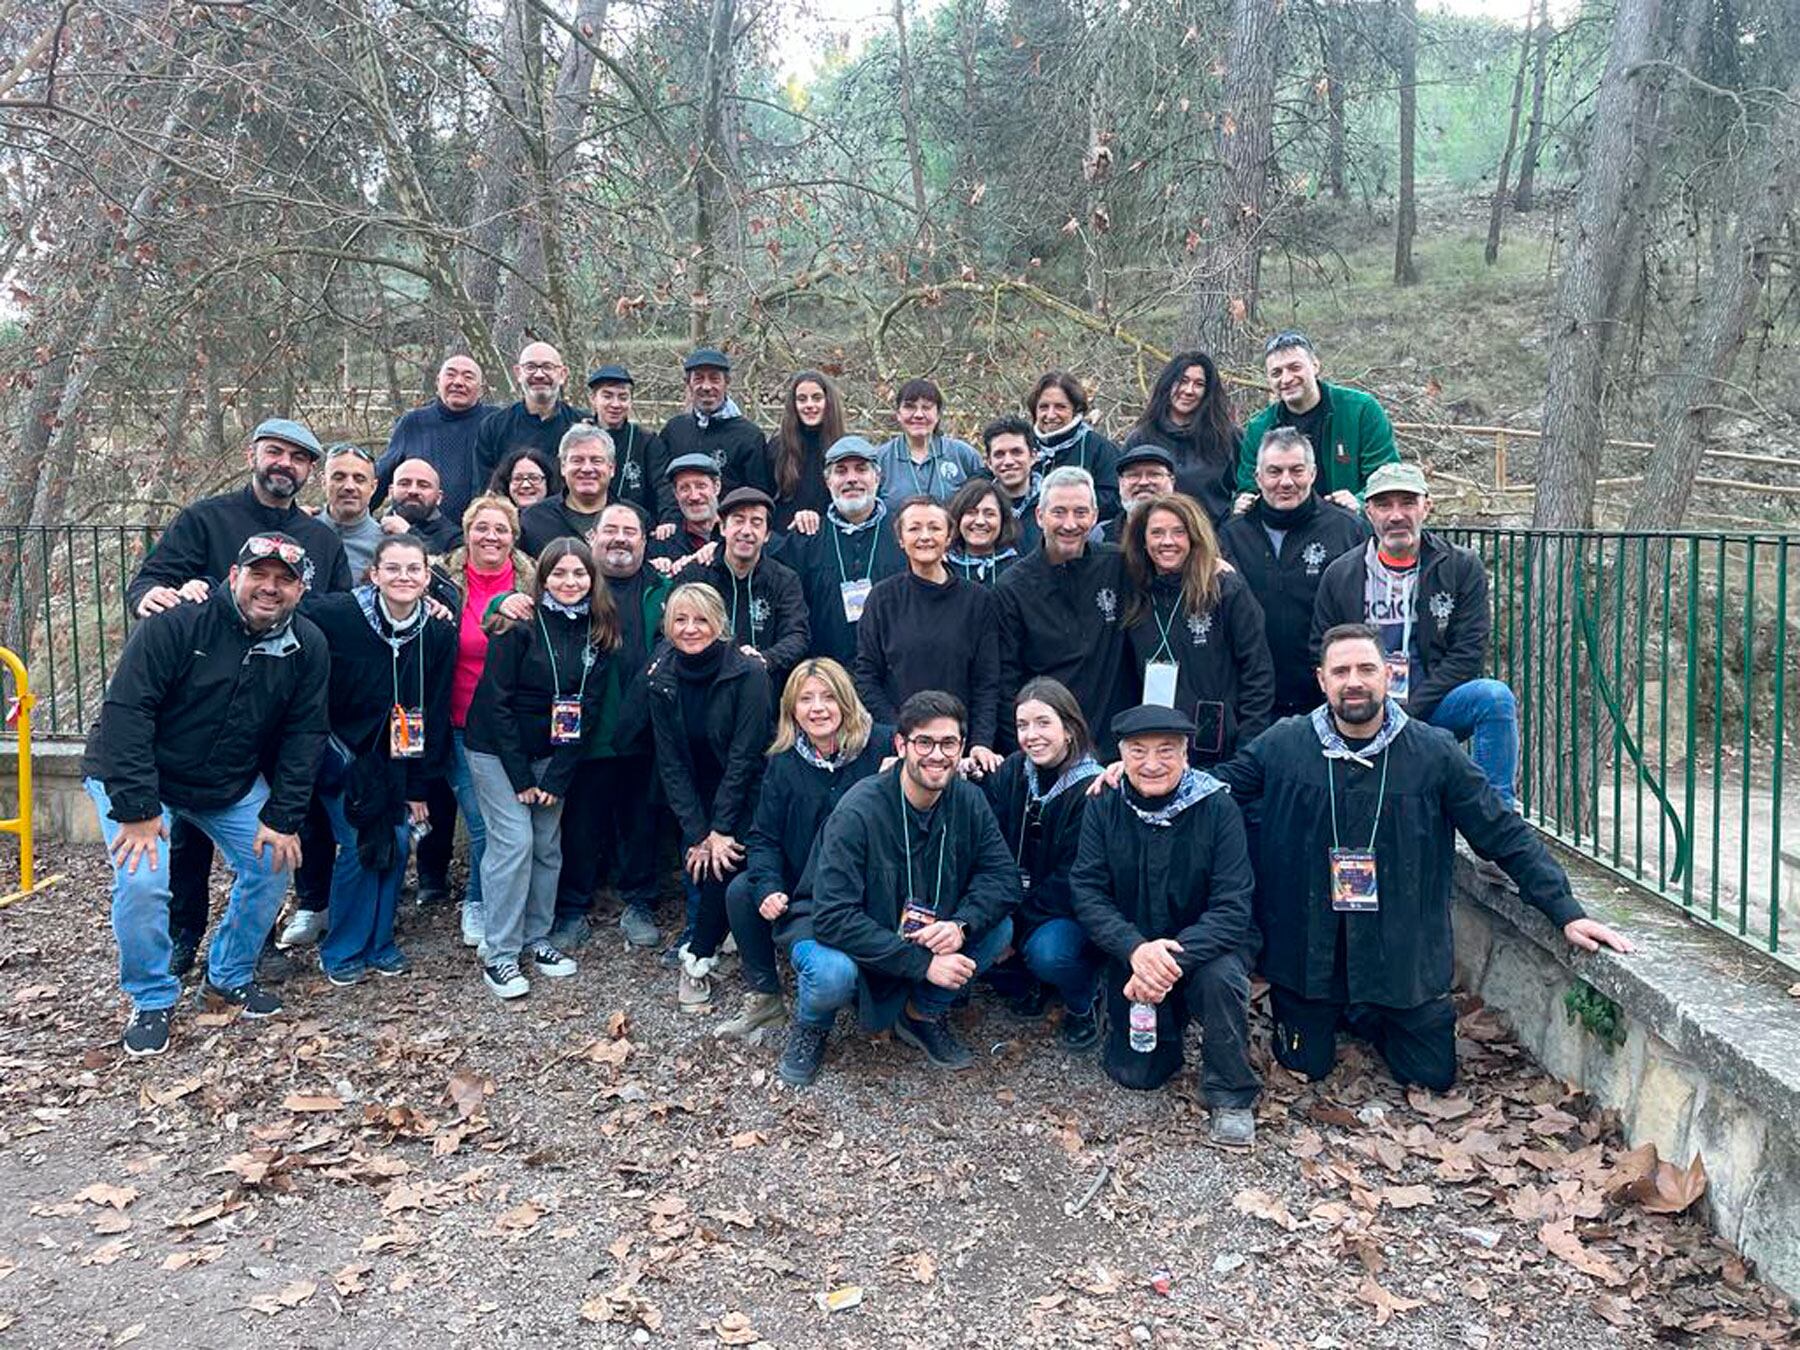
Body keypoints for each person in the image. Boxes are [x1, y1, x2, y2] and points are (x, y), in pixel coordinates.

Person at [1213, 624, 1632, 1090]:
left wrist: (1564, 910)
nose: (1354, 681)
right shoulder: (1284, 743)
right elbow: (1218, 788)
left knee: (1432, 1077)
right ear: (1322, 680)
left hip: (1401, 958)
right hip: (1311, 955)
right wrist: (1136, 779)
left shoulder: (1433, 752)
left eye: (1366, 669)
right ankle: (1341, 1009)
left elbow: (1500, 830)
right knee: (1304, 1066)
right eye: (1342, 671)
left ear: (1389, 675)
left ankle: (1369, 1011)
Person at [83, 533, 329, 1056]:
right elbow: (127, 712)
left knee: (275, 860)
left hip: (225, 782)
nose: (270, 587)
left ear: (301, 590)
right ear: (233, 576)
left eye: (284, 580)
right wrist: (139, 810)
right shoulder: (177, 622)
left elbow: (305, 735)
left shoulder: (307, 645)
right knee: (144, 881)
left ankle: (228, 974)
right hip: (137, 777)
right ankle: (151, 997)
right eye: (258, 574)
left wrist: (283, 816)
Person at [125, 418, 350, 978]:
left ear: (309, 472)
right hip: (200, 712)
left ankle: (256, 940)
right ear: (254, 454)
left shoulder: (320, 538)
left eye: (298, 459)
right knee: (188, 842)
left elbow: (341, 613)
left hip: (276, 709)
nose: (285, 465)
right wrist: (157, 595)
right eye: (275, 452)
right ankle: (184, 935)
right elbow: (150, 581)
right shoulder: (206, 519)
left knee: (278, 830)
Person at [780, 691, 1018, 1085]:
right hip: (839, 931)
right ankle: (812, 1026)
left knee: (999, 928)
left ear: (961, 747)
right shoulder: (859, 810)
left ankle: (922, 1014)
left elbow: (1003, 879)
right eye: (924, 742)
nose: (937, 755)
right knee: (830, 974)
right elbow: (833, 918)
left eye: (948, 744)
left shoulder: (970, 800)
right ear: (901, 744)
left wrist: (960, 924)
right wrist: (923, 963)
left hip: (923, 929)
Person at [1069, 705, 1260, 1148]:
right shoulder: (1103, 804)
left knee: (1220, 980)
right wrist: (1135, 950)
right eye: (1138, 751)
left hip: (1205, 945)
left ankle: (1231, 1093)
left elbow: (1233, 908)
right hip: (1132, 947)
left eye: (1166, 751)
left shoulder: (1218, 807)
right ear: (1120, 753)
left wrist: (1164, 960)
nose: (1152, 764)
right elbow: (1087, 891)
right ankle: (1159, 1024)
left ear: (1186, 753)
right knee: (1136, 1074)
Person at [462, 537, 619, 999]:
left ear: (592, 580)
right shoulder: (518, 624)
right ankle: (501, 952)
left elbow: (586, 709)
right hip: (497, 751)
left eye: (579, 574)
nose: (569, 583)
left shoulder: (598, 631)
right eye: (559, 574)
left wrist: (556, 776)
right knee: (514, 842)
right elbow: (496, 704)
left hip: (553, 751)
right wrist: (522, 777)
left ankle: (536, 936)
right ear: (542, 578)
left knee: (547, 844)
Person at [1309, 462, 1517, 805]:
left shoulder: (1461, 567)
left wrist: (1412, 709)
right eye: (1384, 504)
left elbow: (1467, 654)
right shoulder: (1340, 574)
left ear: (1426, 506)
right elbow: (1321, 647)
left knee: (1493, 699)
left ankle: (1498, 816)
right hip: (1362, 706)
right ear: (1368, 511)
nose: (1396, 515)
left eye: (1407, 502)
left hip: (1433, 703)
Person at [307, 535, 455, 984]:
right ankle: (342, 948)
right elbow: (284, 608)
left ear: (428, 578)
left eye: (414, 569)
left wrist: (417, 789)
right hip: (343, 754)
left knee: (394, 839)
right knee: (357, 843)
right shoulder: (339, 615)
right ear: (374, 573)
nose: (404, 577)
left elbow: (434, 709)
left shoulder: (437, 632)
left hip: (396, 758)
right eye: (393, 568)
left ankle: (380, 942)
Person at [716, 659, 889, 1042]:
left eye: (829, 697)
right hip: (804, 887)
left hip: (869, 887)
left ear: (846, 700)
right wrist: (770, 887)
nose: (818, 708)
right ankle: (766, 997)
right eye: (806, 699)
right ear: (792, 709)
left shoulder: (883, 746)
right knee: (744, 890)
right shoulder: (783, 761)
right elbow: (763, 836)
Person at [638, 583, 773, 1011]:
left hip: (748, 787)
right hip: (694, 790)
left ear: (720, 624)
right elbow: (671, 761)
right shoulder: (660, 678)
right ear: (667, 626)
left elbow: (746, 755)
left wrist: (720, 829)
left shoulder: (749, 673)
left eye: (701, 619)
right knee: (701, 862)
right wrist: (699, 831)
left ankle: (700, 953)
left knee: (725, 860)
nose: (691, 628)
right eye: (680, 619)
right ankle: (701, 948)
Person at [546, 503, 672, 952]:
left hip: (646, 731)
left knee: (642, 822)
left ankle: (638, 901)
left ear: (645, 540)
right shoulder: (573, 584)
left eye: (630, 532)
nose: (620, 539)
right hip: (588, 733)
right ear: (593, 536)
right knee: (581, 825)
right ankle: (572, 909)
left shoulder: (664, 588)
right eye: (611, 530)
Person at [414, 496, 537, 937]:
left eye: (500, 528)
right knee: (484, 821)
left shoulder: (534, 580)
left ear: (513, 536)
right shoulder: (439, 580)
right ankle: (479, 903)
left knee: (505, 824)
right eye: (481, 527)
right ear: (466, 533)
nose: (491, 536)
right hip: (460, 722)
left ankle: (498, 904)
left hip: (515, 725)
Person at [975, 679, 1104, 1049]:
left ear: (1069, 727)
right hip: (1018, 899)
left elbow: (1073, 880)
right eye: (1022, 725)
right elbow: (991, 843)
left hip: (1067, 912)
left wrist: (1016, 930)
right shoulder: (1015, 770)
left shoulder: (1092, 789)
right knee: (981, 940)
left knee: (1049, 953)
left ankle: (1084, 1001)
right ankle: (1029, 980)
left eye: (1043, 723)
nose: (1032, 735)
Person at [1217, 428, 1366, 719]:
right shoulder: (1231, 536)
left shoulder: (1349, 530)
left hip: (1328, 698)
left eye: (1296, 470)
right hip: (1253, 701)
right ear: (1258, 478)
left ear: (1312, 474)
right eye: (1274, 472)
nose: (1286, 482)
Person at [1121, 493, 1274, 766]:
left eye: (1178, 532)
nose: (1167, 541)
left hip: (1218, 750)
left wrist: (1246, 752)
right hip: (1154, 750)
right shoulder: (1134, 593)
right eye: (1157, 533)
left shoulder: (1224, 589)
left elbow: (1258, 674)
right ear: (1143, 541)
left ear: (1194, 537)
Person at [853, 497, 1002, 771]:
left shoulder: (978, 601)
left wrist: (981, 742)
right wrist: (902, 733)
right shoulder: (882, 598)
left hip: (960, 749)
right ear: (900, 539)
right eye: (914, 529)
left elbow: (987, 681)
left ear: (948, 537)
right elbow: (866, 676)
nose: (925, 536)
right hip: (901, 747)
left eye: (934, 528)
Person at [995, 466, 1132, 755]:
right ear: (1039, 516)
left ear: (1094, 516)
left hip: (1114, 747)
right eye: (1059, 512)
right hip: (1049, 751)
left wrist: (1213, 565)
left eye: (1080, 513)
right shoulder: (1012, 587)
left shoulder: (1119, 566)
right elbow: (1006, 682)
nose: (1070, 524)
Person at [772, 436, 906, 667]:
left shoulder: (904, 535)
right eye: (841, 471)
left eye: (861, 470)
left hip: (894, 674)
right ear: (828, 481)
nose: (851, 479)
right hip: (826, 679)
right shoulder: (806, 538)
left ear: (877, 477)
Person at [1234, 331, 1398, 512]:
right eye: (1276, 373)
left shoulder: (1361, 410)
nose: (1286, 379)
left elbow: (1387, 476)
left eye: (1295, 367)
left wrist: (1358, 502)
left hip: (1349, 526)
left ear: (1315, 366)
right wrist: (1245, 500)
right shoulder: (1259, 428)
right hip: (1285, 525)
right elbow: (1248, 484)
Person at [674, 486, 810, 692]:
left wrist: (765, 660)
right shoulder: (696, 576)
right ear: (722, 528)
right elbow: (668, 630)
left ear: (766, 535)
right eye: (738, 520)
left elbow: (797, 635)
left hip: (763, 690)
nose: (746, 531)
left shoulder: (784, 579)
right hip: (703, 687)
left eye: (756, 523)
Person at [376, 354, 494, 526]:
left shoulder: (495, 422)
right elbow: (382, 477)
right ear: (438, 382)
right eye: (451, 374)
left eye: (468, 377)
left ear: (482, 389)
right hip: (420, 533)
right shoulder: (413, 423)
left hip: (481, 533)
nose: (458, 382)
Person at [1124, 351, 1240, 524]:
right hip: (1157, 541)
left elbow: (1246, 487)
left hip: (1216, 542)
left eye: (1199, 384)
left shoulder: (1227, 437)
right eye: (1183, 381)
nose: (1189, 390)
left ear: (1208, 391)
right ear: (1168, 383)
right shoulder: (1141, 438)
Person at [655, 348, 771, 511]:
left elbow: (758, 495)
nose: (707, 386)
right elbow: (663, 485)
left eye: (714, 379)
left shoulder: (749, 436)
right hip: (680, 527)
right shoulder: (674, 430)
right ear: (688, 383)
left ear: (727, 382)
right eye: (699, 379)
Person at [472, 341, 586, 492]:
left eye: (547, 367)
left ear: (563, 374)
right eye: (531, 367)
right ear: (518, 373)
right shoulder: (494, 427)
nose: (539, 375)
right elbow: (484, 491)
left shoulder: (583, 426)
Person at [872, 378, 984, 510]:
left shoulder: (964, 456)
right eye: (910, 407)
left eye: (926, 407)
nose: (918, 415)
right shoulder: (880, 459)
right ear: (898, 414)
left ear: (938, 415)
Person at [1027, 370, 1121, 520]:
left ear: (1075, 409)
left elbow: (1114, 500)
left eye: (1060, 407)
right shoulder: (1021, 448)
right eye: (1044, 407)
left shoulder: (1100, 449)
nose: (1050, 415)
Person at [767, 369, 845, 532]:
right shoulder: (777, 447)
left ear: (828, 402)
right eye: (802, 399)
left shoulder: (844, 448)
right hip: (784, 541)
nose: (809, 405)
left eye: (816, 398)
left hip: (829, 539)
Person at [520, 423, 615, 555]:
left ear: (612, 468)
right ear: (563, 467)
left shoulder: (635, 519)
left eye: (596, 461)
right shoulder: (533, 520)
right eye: (577, 460)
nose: (587, 469)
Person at [585, 363, 662, 521]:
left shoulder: (647, 441)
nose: (615, 404)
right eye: (607, 396)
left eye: (623, 397)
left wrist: (668, 520)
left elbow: (663, 487)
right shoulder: (578, 439)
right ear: (593, 399)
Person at [320, 442, 385, 581]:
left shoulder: (386, 544)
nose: (349, 486)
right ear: (323, 482)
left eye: (359, 479)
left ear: (373, 487)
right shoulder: (301, 532)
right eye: (339, 477)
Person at [980, 415, 1043, 555]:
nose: (1008, 461)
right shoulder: (976, 509)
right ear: (989, 462)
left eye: (1016, 452)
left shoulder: (1052, 504)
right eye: (999, 454)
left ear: (1033, 456)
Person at [648, 453, 724, 564]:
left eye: (701, 486)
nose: (694, 496)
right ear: (676, 494)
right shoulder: (662, 546)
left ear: (717, 487)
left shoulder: (738, 536)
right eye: (684, 488)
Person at [944, 478, 1022, 586]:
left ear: (1003, 520)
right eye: (971, 512)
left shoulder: (1018, 571)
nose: (980, 521)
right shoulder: (943, 569)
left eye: (989, 514)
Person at [380, 457, 463, 554]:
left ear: (439, 498)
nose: (413, 491)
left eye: (423, 485)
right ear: (390, 492)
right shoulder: (374, 529)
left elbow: (448, 568)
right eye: (404, 483)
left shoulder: (455, 538)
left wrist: (409, 534)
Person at [1100, 444, 1178, 545]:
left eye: (1154, 474)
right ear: (1120, 483)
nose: (1143, 482)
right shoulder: (1100, 535)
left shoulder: (1191, 530)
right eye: (1133, 475)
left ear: (1172, 482)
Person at [488, 445, 560, 514]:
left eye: (534, 478)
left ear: (548, 482)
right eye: (517, 479)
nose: (525, 485)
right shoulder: (494, 519)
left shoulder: (561, 521)